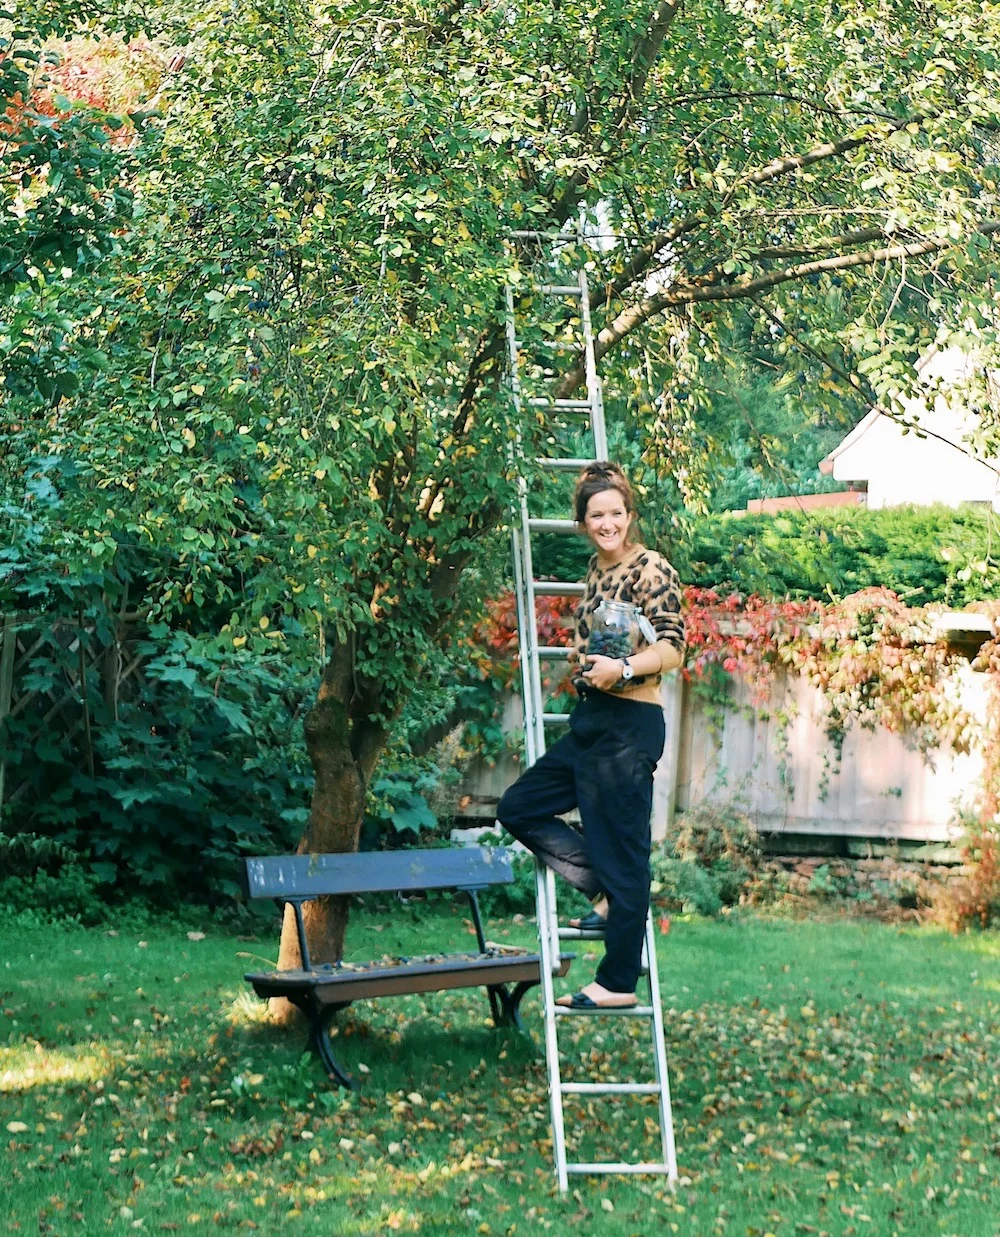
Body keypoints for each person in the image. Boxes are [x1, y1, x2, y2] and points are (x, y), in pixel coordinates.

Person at [496, 461, 686, 1009]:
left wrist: (622, 671)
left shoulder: (651, 568)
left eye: (617, 513)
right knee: (519, 807)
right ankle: (602, 891)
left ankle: (618, 983)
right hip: (592, 721)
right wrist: (587, 661)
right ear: (583, 521)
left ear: (630, 516)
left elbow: (672, 647)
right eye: (597, 515)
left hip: (630, 724)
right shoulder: (595, 572)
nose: (608, 523)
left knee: (626, 855)